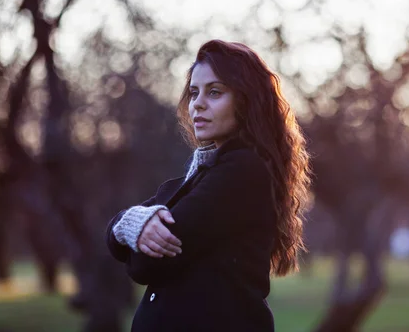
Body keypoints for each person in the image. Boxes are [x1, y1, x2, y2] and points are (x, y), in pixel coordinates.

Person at [105, 39, 312, 331]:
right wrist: (128, 224)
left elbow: (147, 266)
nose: (198, 103)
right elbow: (113, 237)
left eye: (214, 92)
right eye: (193, 92)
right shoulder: (204, 173)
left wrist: (131, 233)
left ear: (246, 100)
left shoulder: (242, 171)